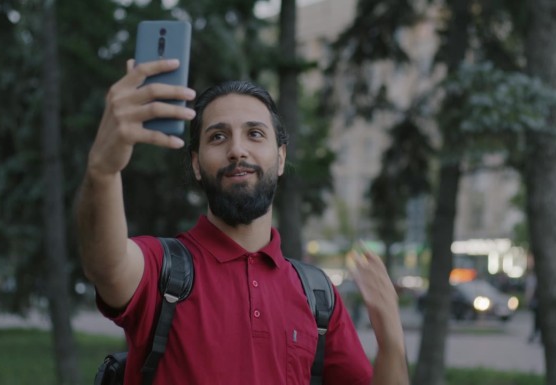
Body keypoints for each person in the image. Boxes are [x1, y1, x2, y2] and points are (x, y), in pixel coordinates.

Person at [76, 58, 409, 385]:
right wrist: (103, 170)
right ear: (196, 164)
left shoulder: (318, 296)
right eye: (218, 137)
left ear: (280, 158)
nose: (237, 149)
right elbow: (106, 264)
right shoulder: (160, 268)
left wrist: (391, 341)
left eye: (254, 134)